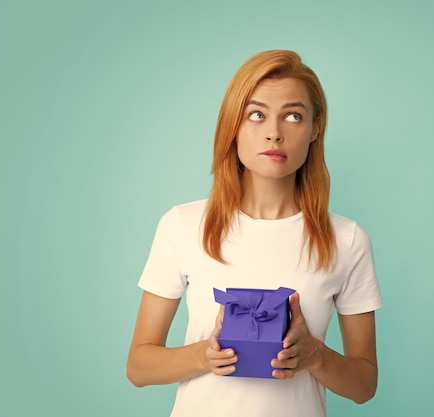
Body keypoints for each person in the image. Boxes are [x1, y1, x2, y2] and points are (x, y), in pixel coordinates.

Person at [126, 49, 382, 417]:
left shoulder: (347, 239)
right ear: (234, 124)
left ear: (315, 129)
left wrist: (315, 356)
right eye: (256, 115)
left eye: (293, 116)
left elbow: (364, 385)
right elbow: (138, 366)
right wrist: (204, 354)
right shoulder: (182, 226)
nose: (274, 133)